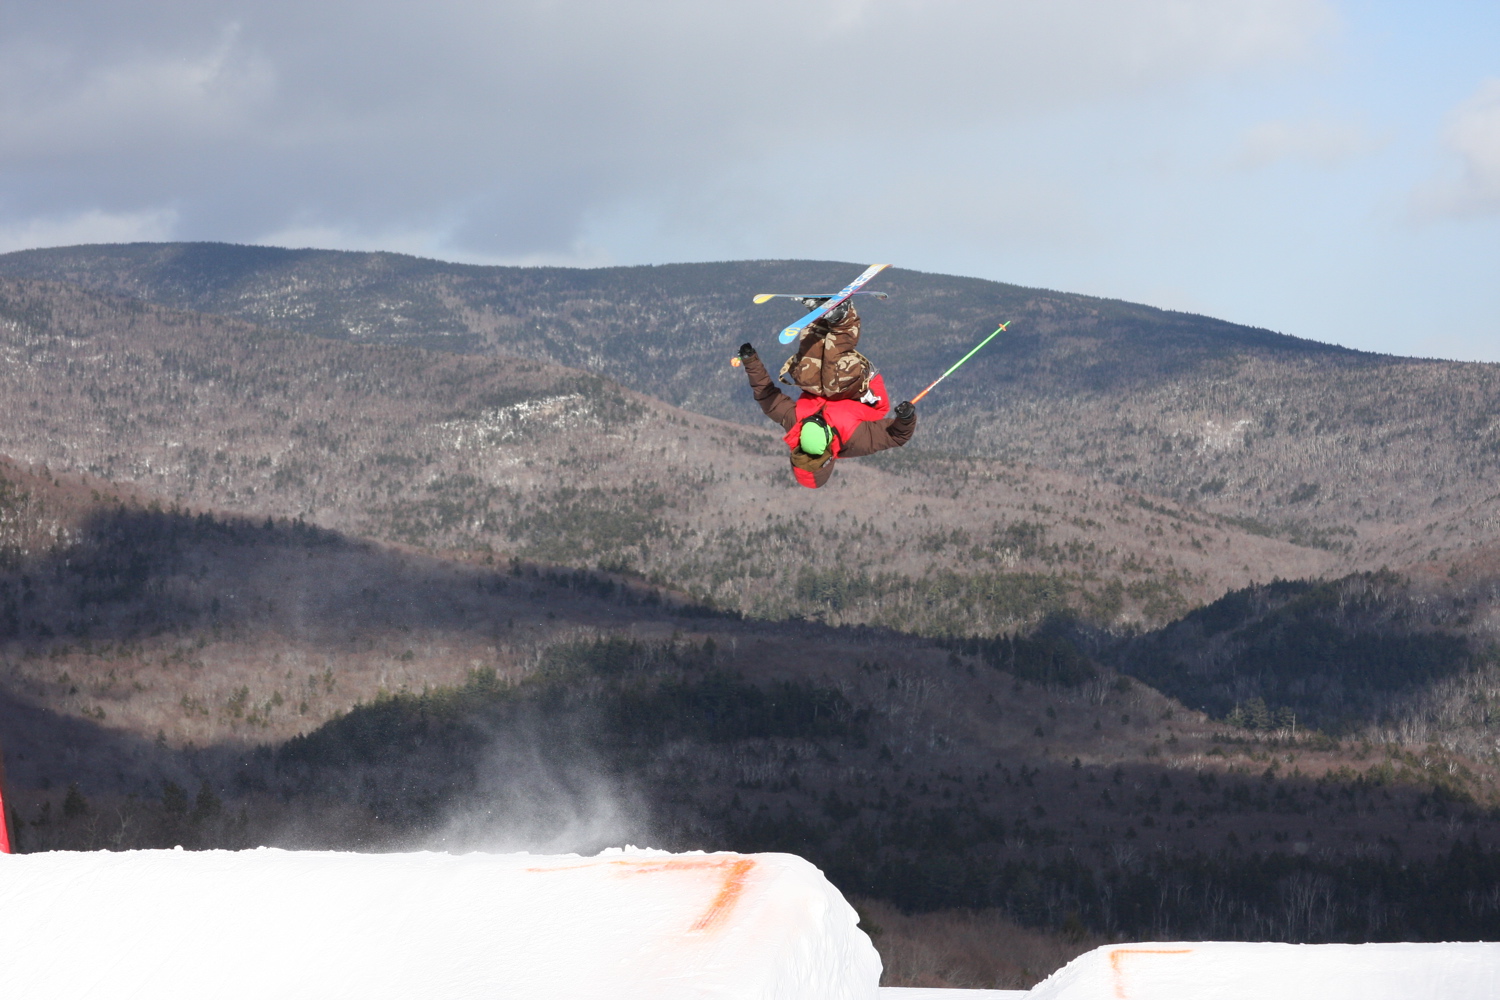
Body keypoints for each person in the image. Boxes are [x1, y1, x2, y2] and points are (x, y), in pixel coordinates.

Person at [737, 300, 916, 488]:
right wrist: (906, 418)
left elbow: (767, 398)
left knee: (804, 375)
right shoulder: (854, 440)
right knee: (833, 383)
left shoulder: (795, 423)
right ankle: (844, 319)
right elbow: (896, 436)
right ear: (827, 453)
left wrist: (750, 361)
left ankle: (820, 320)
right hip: (861, 389)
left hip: (822, 385)